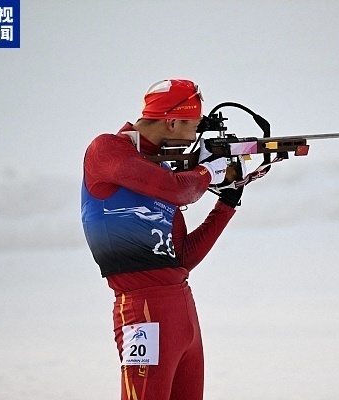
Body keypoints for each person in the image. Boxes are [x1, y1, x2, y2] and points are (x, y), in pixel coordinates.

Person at [81, 79, 244, 400]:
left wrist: (228, 202)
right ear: (172, 122)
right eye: (193, 128)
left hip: (182, 309)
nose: (194, 139)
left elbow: (181, 259)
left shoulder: (164, 169)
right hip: (143, 308)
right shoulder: (106, 149)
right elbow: (178, 189)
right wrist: (208, 172)